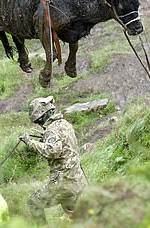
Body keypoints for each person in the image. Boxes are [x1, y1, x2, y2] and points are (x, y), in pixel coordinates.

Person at [19, 96, 87, 226]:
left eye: (39, 121)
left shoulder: (51, 130)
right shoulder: (65, 124)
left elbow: (52, 151)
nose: (39, 123)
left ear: (43, 115)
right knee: (76, 218)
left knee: (33, 202)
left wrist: (30, 142)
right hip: (78, 179)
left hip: (63, 183)